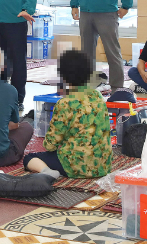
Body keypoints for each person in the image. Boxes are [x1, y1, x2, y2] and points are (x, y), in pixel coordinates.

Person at [23, 49, 112, 179]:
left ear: (63, 76)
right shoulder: (98, 96)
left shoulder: (65, 103)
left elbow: (50, 145)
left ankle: (47, 171)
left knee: (29, 158)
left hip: (75, 165)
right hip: (103, 165)